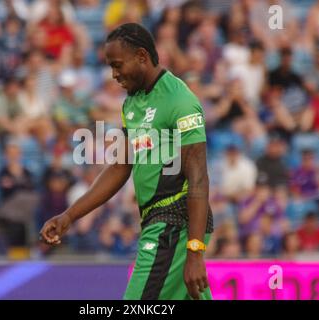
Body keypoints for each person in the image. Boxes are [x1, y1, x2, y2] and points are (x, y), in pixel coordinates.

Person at [40, 23, 214, 300]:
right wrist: (69, 216)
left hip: (174, 224)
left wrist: (195, 252)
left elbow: (199, 178)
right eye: (110, 67)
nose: (114, 74)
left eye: (118, 65)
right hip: (157, 224)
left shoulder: (179, 100)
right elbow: (120, 166)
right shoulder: (131, 104)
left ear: (142, 56)